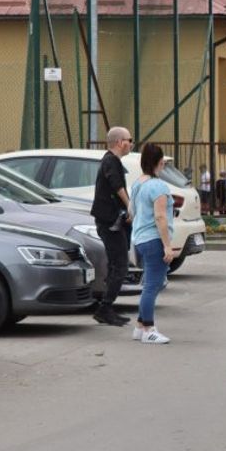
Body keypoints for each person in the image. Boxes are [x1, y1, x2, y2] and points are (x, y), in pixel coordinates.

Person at [129, 143, 176, 344]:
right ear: (159, 162)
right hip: (154, 239)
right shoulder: (159, 186)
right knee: (153, 284)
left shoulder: (138, 183)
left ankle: (140, 327)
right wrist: (167, 245)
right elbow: (160, 217)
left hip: (140, 238)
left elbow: (132, 212)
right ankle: (149, 328)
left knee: (150, 282)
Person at [90, 126, 133, 327]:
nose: (131, 144)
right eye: (129, 140)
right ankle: (105, 308)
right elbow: (117, 186)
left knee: (116, 264)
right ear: (119, 142)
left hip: (112, 221)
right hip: (110, 223)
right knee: (120, 265)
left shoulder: (111, 161)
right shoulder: (110, 161)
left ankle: (106, 308)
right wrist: (130, 206)